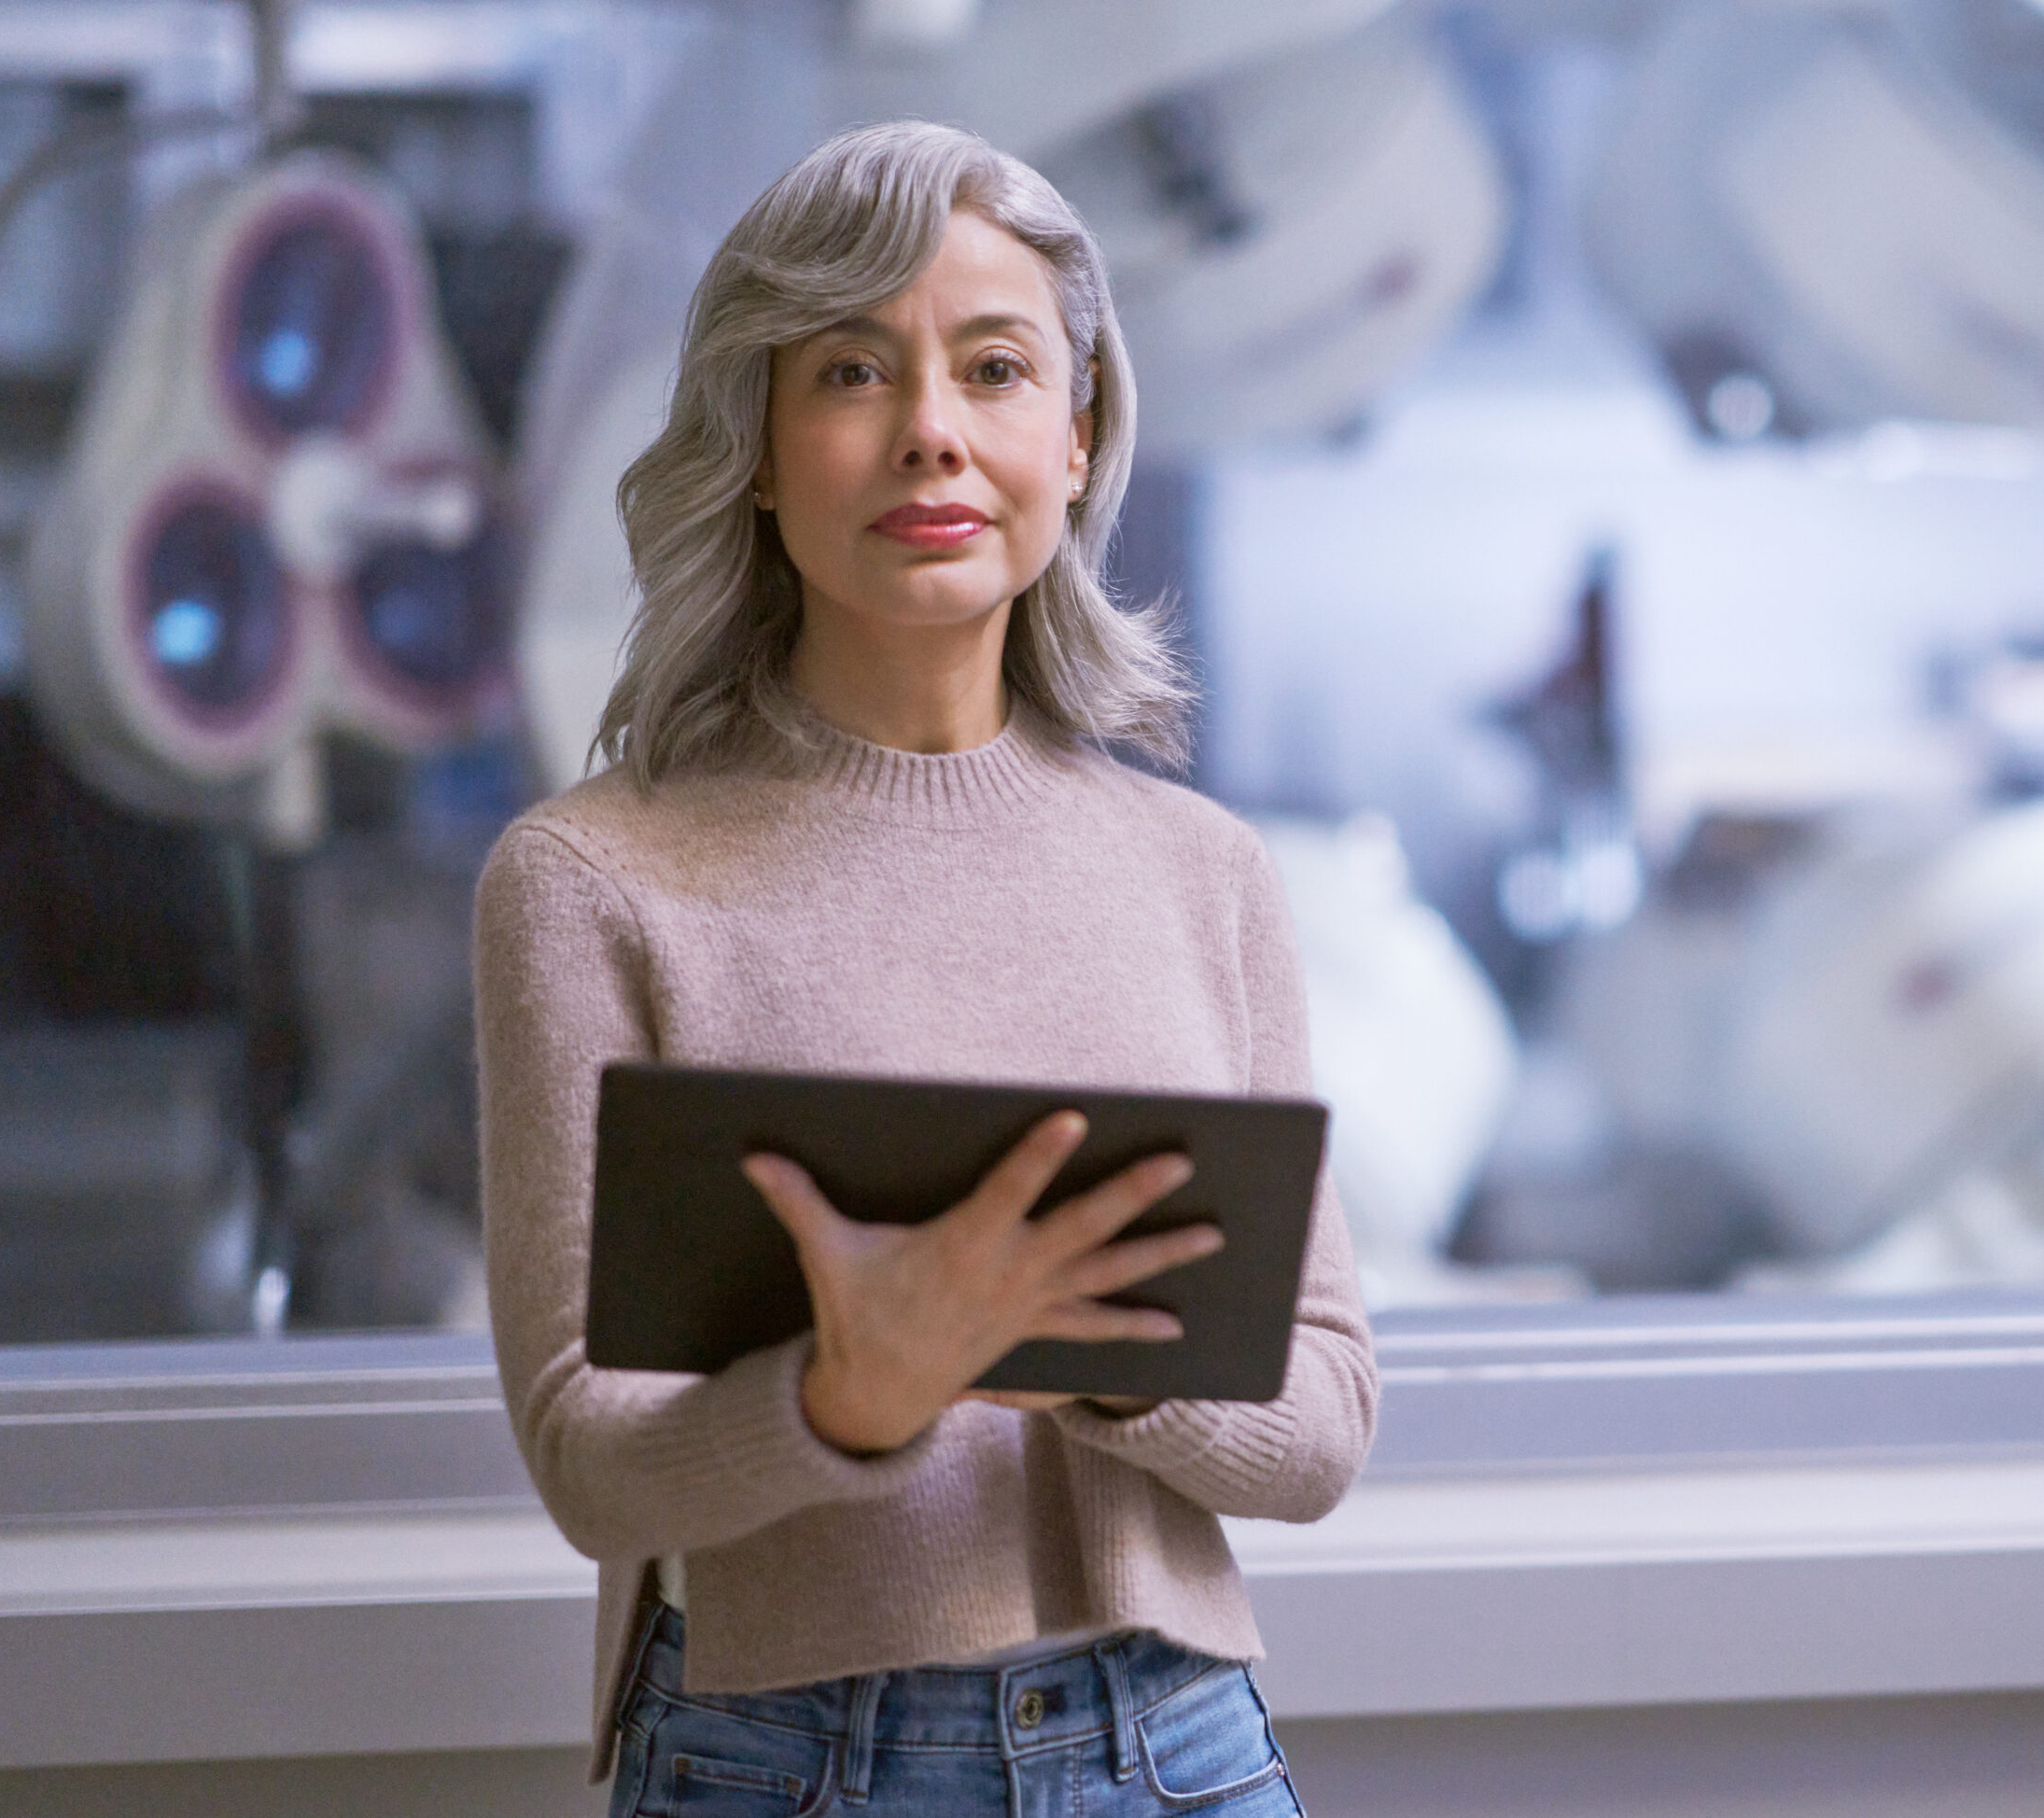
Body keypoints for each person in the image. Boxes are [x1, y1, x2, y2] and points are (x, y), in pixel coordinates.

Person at [472, 119, 1378, 1818]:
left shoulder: (1207, 874)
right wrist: (843, 1395)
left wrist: (1071, 1345)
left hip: (1178, 1751)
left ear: (1080, 429)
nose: (933, 437)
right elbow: (593, 1459)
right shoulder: (591, 877)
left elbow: (1323, 1423)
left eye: (995, 368)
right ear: (754, 443)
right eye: (849, 373)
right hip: (785, 1762)